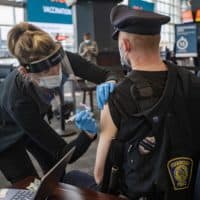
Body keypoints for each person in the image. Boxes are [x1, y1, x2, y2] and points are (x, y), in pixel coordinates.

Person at [64, 5, 200, 200]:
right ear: (158, 41)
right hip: (185, 191)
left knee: (71, 177)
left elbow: (100, 176)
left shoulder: (117, 97)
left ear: (125, 46)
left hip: (137, 194)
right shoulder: (193, 82)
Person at [0, 22, 116, 184]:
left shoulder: (59, 58)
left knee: (55, 170)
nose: (56, 72)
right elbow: (65, 154)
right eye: (46, 71)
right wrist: (88, 134)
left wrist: (110, 81)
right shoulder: (18, 100)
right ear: (25, 72)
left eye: (56, 65)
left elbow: (107, 74)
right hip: (5, 133)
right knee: (28, 184)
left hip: (33, 119)